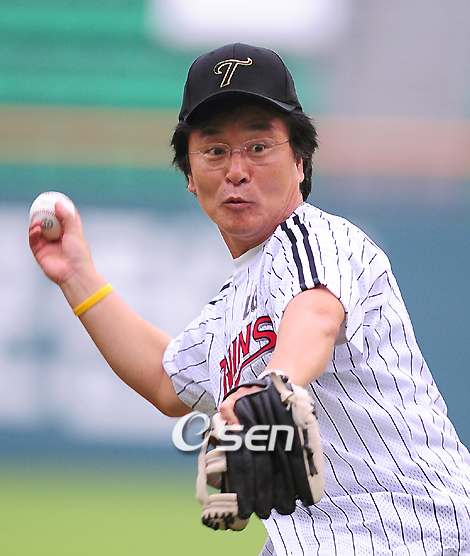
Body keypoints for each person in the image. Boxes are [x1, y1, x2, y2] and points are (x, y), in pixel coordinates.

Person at [29, 43, 470, 555]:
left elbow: (315, 316)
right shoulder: (232, 304)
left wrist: (271, 389)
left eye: (258, 147)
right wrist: (77, 276)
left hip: (418, 531)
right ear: (190, 176)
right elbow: (165, 380)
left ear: (300, 161)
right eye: (215, 151)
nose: (236, 169)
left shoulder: (319, 239)